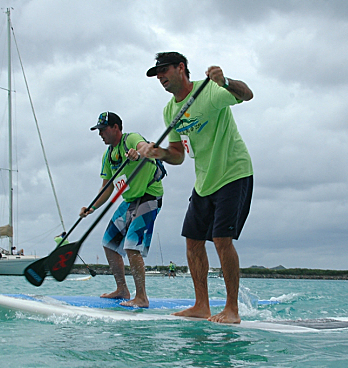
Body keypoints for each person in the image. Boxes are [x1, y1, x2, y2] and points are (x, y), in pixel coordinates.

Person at [141, 52, 254, 323]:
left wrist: (225, 81)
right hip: (204, 180)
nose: (160, 77)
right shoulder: (170, 110)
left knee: (221, 240)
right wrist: (159, 153)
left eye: (164, 70)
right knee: (192, 241)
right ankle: (201, 305)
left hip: (233, 172)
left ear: (181, 68)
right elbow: (178, 154)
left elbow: (247, 94)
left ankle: (232, 309)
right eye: (156, 74)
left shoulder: (211, 92)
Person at [80, 111, 164, 308]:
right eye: (98, 130)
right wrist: (91, 207)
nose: (100, 134)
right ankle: (122, 290)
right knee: (109, 243)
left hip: (149, 195)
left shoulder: (131, 139)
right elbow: (107, 187)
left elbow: (146, 147)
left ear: (115, 128)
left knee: (131, 246)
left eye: (103, 129)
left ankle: (141, 297)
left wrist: (138, 153)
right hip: (129, 200)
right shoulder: (108, 155)